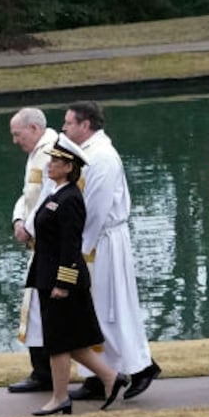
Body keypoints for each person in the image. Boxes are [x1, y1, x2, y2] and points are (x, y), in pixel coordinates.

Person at [60, 102, 161, 399]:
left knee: (112, 309)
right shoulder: (86, 154)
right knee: (95, 311)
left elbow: (94, 209)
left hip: (103, 242)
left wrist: (77, 251)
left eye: (68, 123)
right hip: (93, 241)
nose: (64, 128)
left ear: (85, 124)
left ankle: (142, 367)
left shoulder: (102, 157)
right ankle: (98, 375)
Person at [27, 140, 130, 415]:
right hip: (47, 277)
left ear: (69, 167)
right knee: (70, 342)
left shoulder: (70, 198)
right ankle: (110, 377)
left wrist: (63, 283)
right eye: (51, 160)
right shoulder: (56, 194)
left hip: (62, 283)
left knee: (59, 342)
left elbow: (71, 246)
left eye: (56, 162)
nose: (50, 165)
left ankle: (60, 398)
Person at [7, 107, 59, 395]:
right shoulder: (36, 153)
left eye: (17, 134)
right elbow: (28, 194)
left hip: (48, 244)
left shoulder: (53, 152)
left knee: (44, 309)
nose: (15, 141)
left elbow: (51, 196)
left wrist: (29, 226)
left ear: (34, 129)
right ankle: (41, 371)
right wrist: (18, 219)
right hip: (37, 243)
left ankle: (45, 373)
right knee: (35, 309)